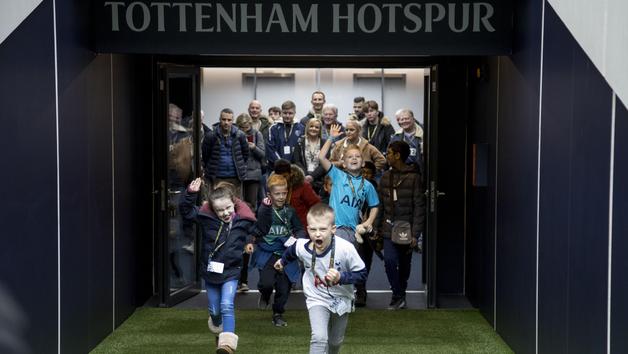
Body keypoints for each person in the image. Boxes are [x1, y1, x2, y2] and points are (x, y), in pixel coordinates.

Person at [274, 203, 367, 354]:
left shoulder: (346, 248)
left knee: (335, 342)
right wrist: (282, 262)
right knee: (319, 338)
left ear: (333, 229)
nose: (317, 234)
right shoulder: (302, 246)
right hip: (316, 296)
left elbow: (362, 274)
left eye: (323, 229)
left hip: (342, 297)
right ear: (308, 229)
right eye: (313, 229)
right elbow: (292, 250)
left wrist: (341, 277)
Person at [180, 178, 256, 354]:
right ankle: (218, 327)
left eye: (228, 208)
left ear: (234, 204)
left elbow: (259, 228)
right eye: (220, 210)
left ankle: (227, 345)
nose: (225, 212)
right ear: (213, 209)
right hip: (211, 272)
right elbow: (185, 211)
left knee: (227, 305)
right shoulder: (206, 218)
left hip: (231, 271)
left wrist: (266, 209)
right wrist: (190, 194)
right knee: (215, 311)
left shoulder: (242, 220)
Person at [250, 174, 306, 327]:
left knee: (284, 287)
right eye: (277, 194)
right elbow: (255, 228)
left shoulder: (290, 211)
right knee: (266, 284)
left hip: (286, 254)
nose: (281, 197)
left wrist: (299, 239)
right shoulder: (263, 209)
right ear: (269, 194)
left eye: (284, 193)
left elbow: (300, 229)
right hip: (266, 253)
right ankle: (265, 295)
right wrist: (250, 241)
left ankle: (278, 313)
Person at [376, 141, 425, 310]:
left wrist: (415, 234)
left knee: (405, 264)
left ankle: (400, 293)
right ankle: (397, 294)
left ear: (397, 155)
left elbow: (419, 207)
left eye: (389, 153)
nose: (386, 156)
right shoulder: (384, 177)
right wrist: (377, 228)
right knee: (389, 261)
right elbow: (380, 205)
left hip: (407, 228)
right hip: (389, 227)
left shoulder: (414, 178)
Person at [318, 124, 380, 245]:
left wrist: (368, 223)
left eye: (358, 156)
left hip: (353, 230)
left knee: (348, 262)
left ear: (363, 163)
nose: (354, 158)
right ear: (344, 164)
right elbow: (321, 157)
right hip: (335, 228)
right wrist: (331, 138)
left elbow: (375, 206)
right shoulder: (337, 175)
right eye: (350, 157)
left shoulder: (367, 185)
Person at [235, 113, 265, 293]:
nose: (246, 128)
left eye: (248, 125)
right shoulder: (236, 135)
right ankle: (239, 225)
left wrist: (252, 147)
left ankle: (250, 232)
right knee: (239, 205)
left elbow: (263, 154)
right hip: (239, 174)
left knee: (252, 206)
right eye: (243, 125)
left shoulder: (258, 134)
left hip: (253, 174)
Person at [353, 161, 383, 307]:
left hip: (369, 231)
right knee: (354, 258)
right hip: (353, 228)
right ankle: (359, 290)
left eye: (368, 173)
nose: (365, 175)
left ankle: (361, 289)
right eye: (363, 172)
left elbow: (379, 211)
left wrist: (375, 229)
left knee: (366, 261)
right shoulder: (352, 186)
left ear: (373, 175)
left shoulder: (376, 190)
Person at [202, 108, 249, 198]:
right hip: (216, 177)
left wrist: (240, 166)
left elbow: (245, 154)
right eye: (224, 119)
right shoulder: (211, 136)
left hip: (235, 177)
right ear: (219, 119)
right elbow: (205, 155)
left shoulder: (240, 135)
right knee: (216, 203)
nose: (226, 122)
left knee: (236, 205)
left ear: (232, 121)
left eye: (229, 120)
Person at [272, 159, 321, 229]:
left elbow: (316, 205)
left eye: (285, 176)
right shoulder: (273, 187)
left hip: (303, 228)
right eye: (280, 177)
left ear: (290, 173)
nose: (283, 180)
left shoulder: (303, 186)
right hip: (283, 229)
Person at [266, 100, 305, 168]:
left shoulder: (301, 128)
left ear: (295, 113)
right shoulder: (273, 128)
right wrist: (281, 163)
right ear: (281, 113)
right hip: (277, 167)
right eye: (285, 113)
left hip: (295, 167)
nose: (287, 116)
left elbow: (302, 149)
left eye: (290, 113)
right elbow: (270, 149)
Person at [294, 117, 327, 194]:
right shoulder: (300, 142)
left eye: (317, 127)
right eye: (311, 126)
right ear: (307, 128)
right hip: (303, 179)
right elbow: (297, 161)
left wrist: (312, 176)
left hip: (319, 181)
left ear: (320, 130)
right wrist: (306, 175)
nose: (313, 129)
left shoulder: (324, 143)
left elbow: (325, 162)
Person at [389, 108, 424, 173]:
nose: (404, 121)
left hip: (420, 173)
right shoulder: (396, 137)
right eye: (401, 119)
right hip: (401, 173)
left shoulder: (425, 133)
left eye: (407, 118)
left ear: (413, 119)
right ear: (398, 122)